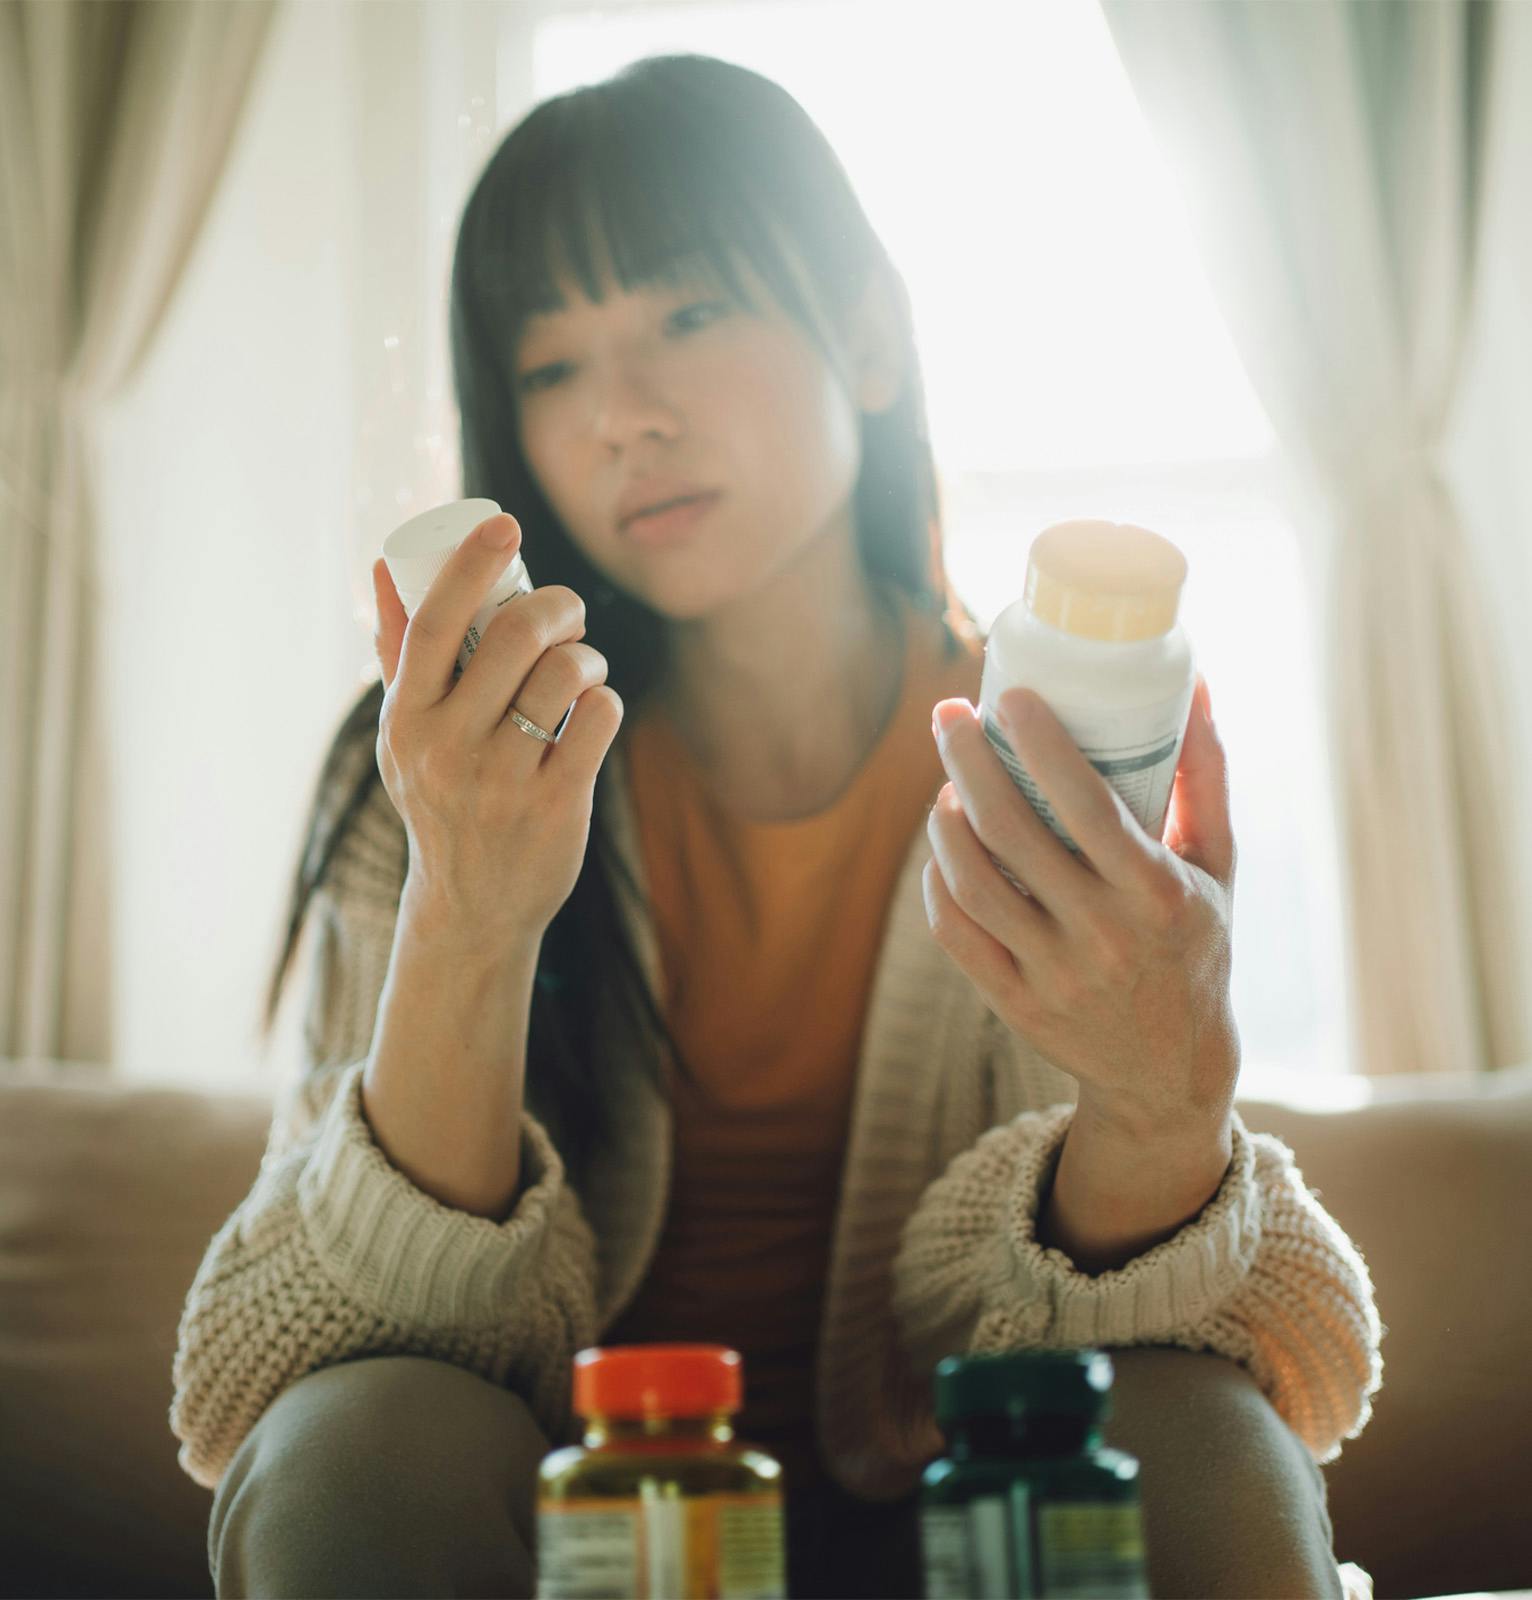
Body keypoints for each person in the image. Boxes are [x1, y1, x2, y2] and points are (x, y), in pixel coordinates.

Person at [171, 53, 1380, 1600]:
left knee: (1197, 1434)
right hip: (562, 1526)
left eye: (686, 315)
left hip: (972, 1496)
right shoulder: (451, 764)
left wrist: (1164, 1097)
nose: (621, 416)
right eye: (548, 366)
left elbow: (1199, 1346)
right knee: (352, 1440)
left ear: (866, 335)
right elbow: (303, 1348)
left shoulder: (1056, 757)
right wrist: (471, 909)